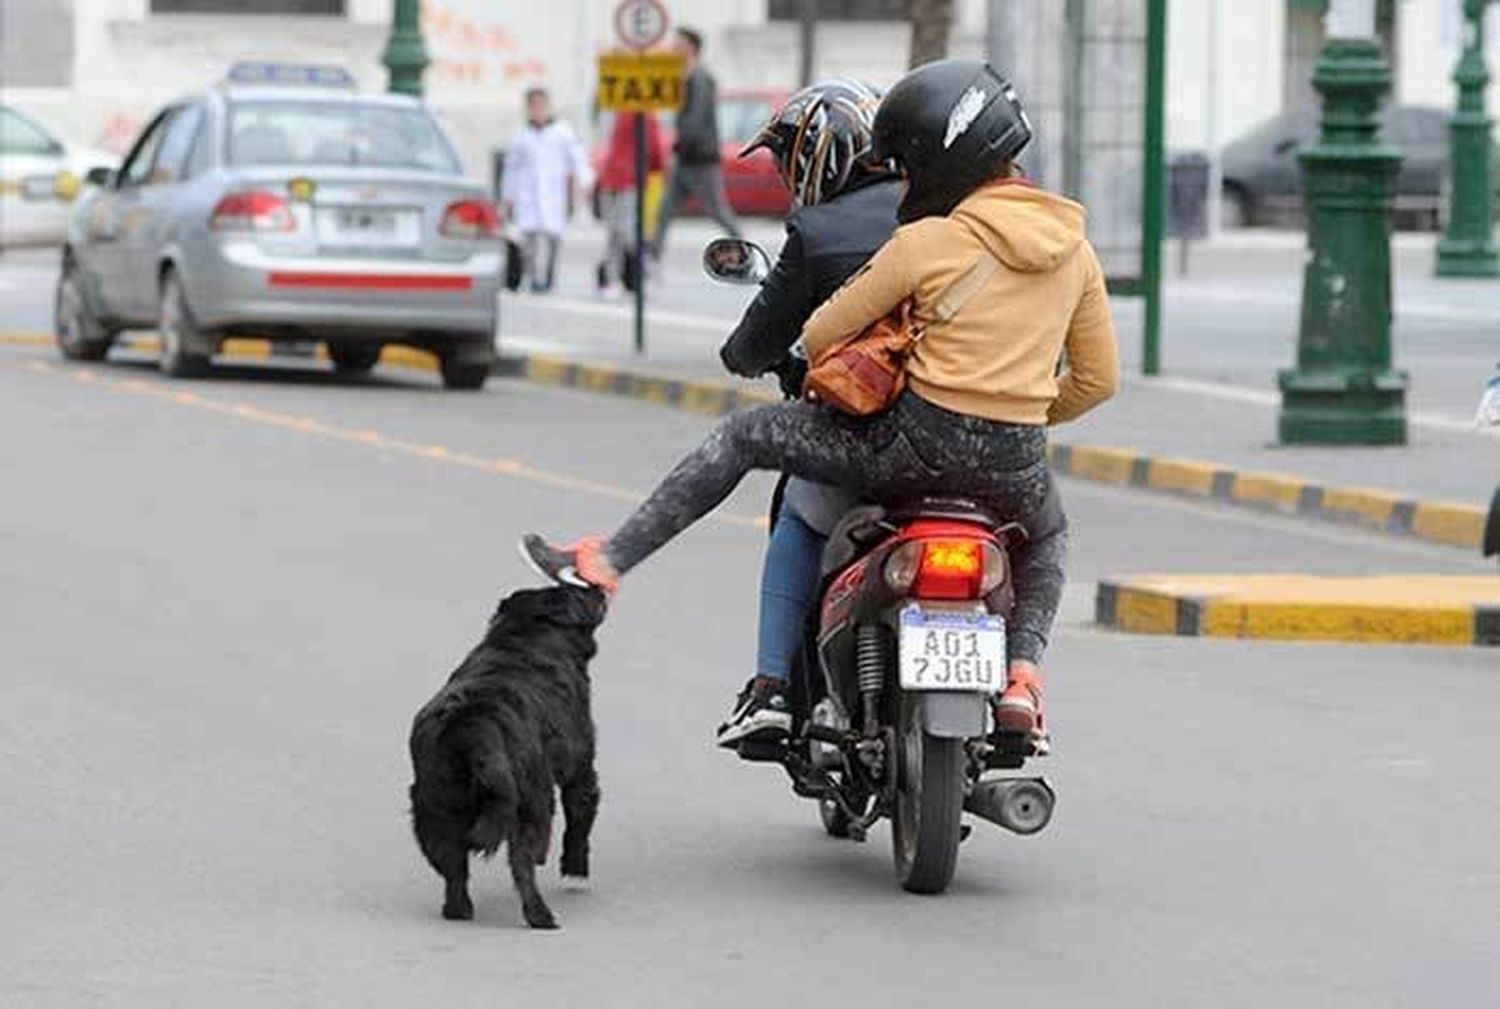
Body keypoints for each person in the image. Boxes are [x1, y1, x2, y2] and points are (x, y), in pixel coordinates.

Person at [522, 60, 1119, 748]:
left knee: (745, 436)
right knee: (1048, 536)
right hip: (1013, 468)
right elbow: (1097, 379)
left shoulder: (926, 242)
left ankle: (606, 564)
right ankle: (1021, 678)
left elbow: (818, 332)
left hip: (906, 452)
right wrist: (1019, 412)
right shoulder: (1075, 251)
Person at [714, 78, 901, 746]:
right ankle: (1021, 682)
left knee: (798, 511)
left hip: (863, 441)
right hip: (974, 441)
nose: (790, 176)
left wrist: (755, 356)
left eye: (792, 159)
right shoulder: (949, 214)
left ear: (825, 152)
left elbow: (751, 346)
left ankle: (771, 688)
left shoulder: (820, 232)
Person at [649, 27, 741, 260]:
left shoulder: (701, 78)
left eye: (678, 43)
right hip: (685, 158)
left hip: (701, 159)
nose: (673, 47)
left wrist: (677, 146)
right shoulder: (685, 76)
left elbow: (695, 119)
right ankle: (652, 258)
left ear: (691, 47)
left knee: (717, 211)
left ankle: (743, 249)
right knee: (664, 211)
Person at [501, 87, 593, 294]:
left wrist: (584, 180)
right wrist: (508, 197)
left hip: (554, 193)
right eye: (534, 107)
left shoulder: (562, 132)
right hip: (528, 194)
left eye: (541, 106)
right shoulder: (521, 136)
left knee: (553, 238)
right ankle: (533, 276)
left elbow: (576, 158)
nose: (538, 111)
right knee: (529, 239)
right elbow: (511, 168)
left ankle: (549, 277)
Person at [595, 111, 667, 300]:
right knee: (615, 234)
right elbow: (655, 152)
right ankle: (613, 280)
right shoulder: (616, 113)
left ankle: (647, 273)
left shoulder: (643, 115)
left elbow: (655, 151)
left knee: (626, 233)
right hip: (613, 178)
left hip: (628, 179)